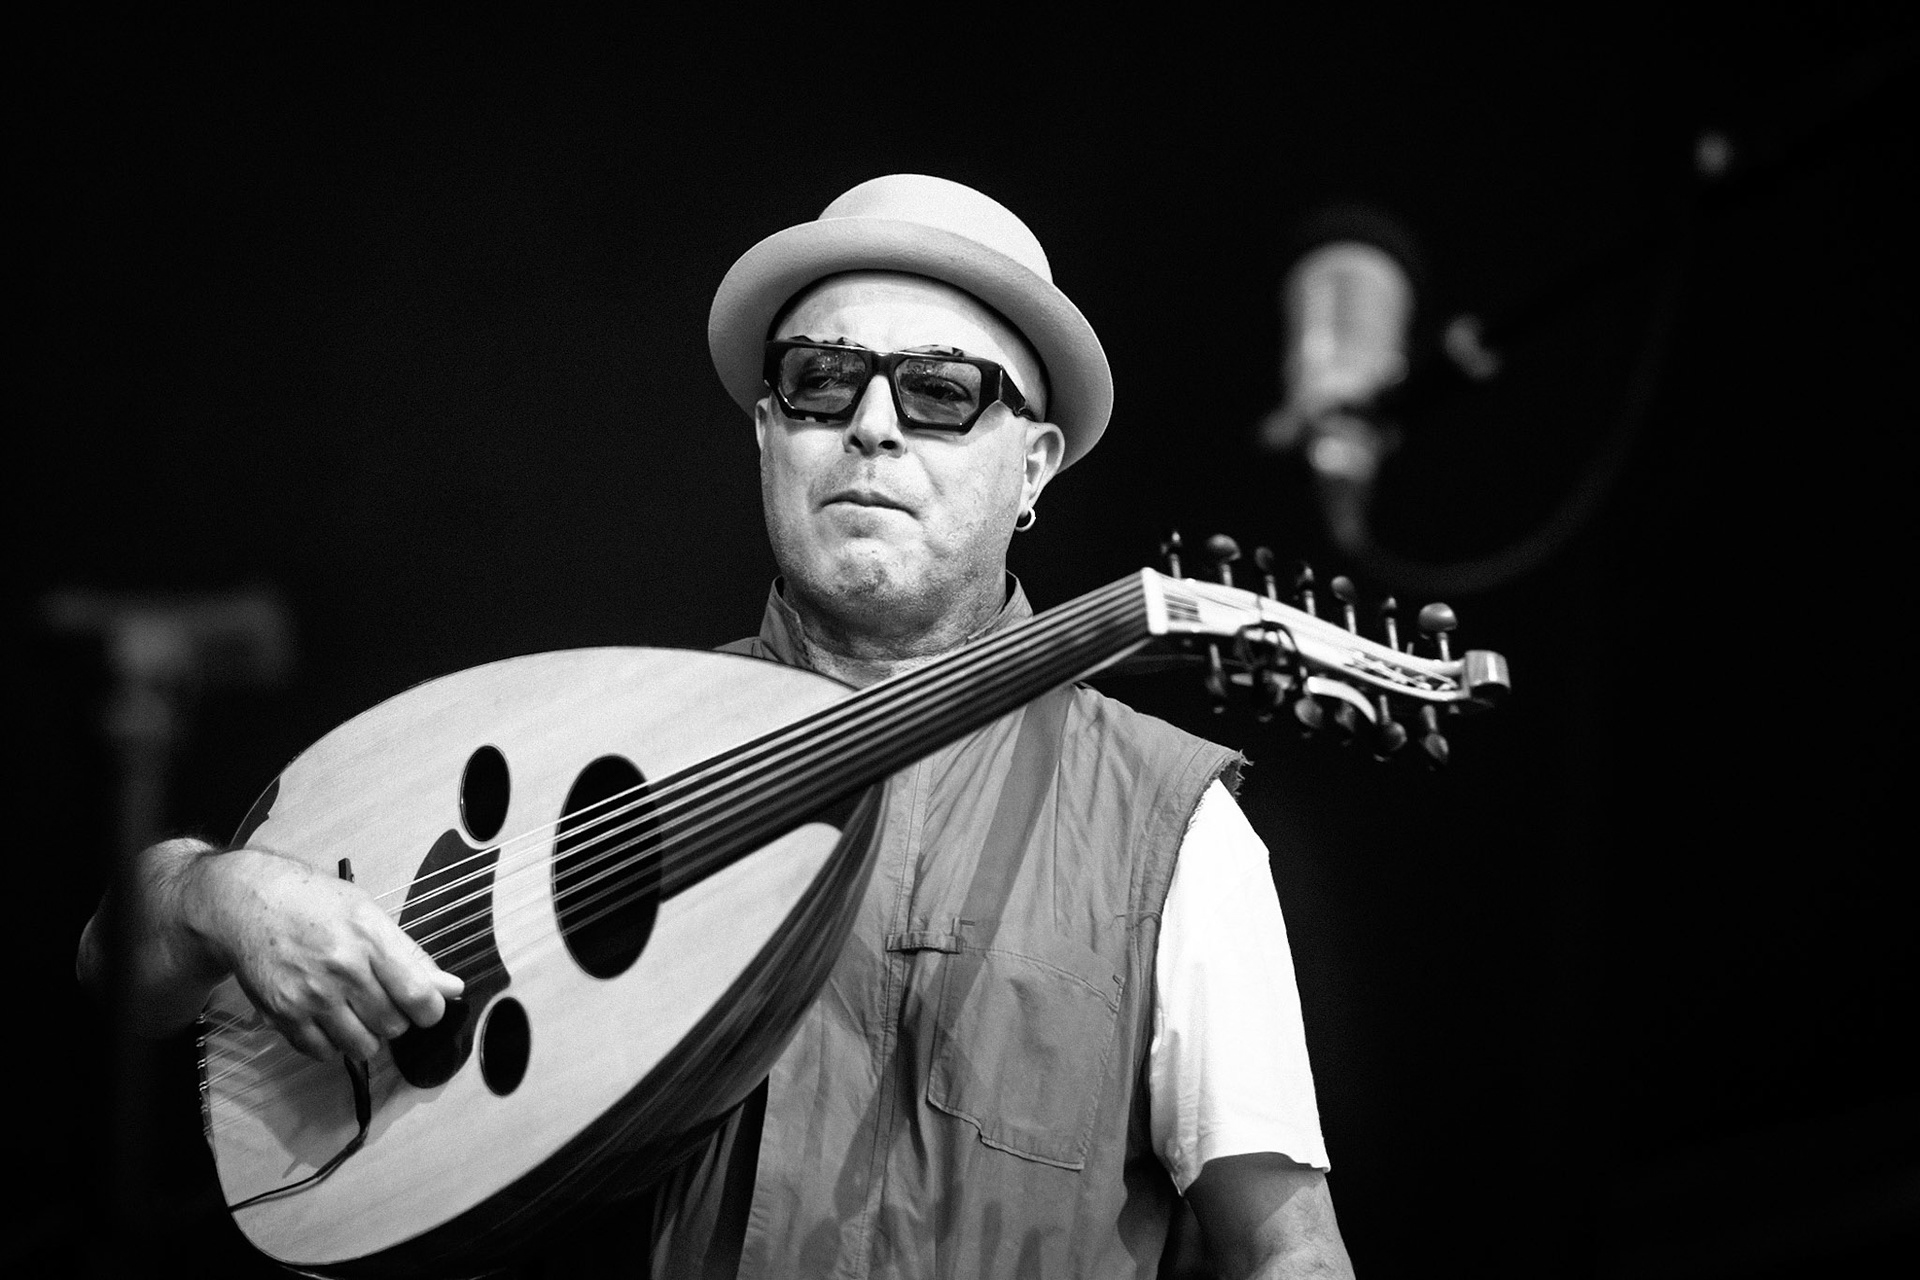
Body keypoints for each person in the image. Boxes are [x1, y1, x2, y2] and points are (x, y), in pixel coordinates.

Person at [78, 174, 1355, 1279]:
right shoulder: (616, 741)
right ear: (766, 430)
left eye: (941, 390)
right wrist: (215, 890)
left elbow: (1287, 1250)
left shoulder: (1172, 826)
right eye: (822, 379)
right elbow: (115, 969)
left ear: (1032, 466)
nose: (871, 423)